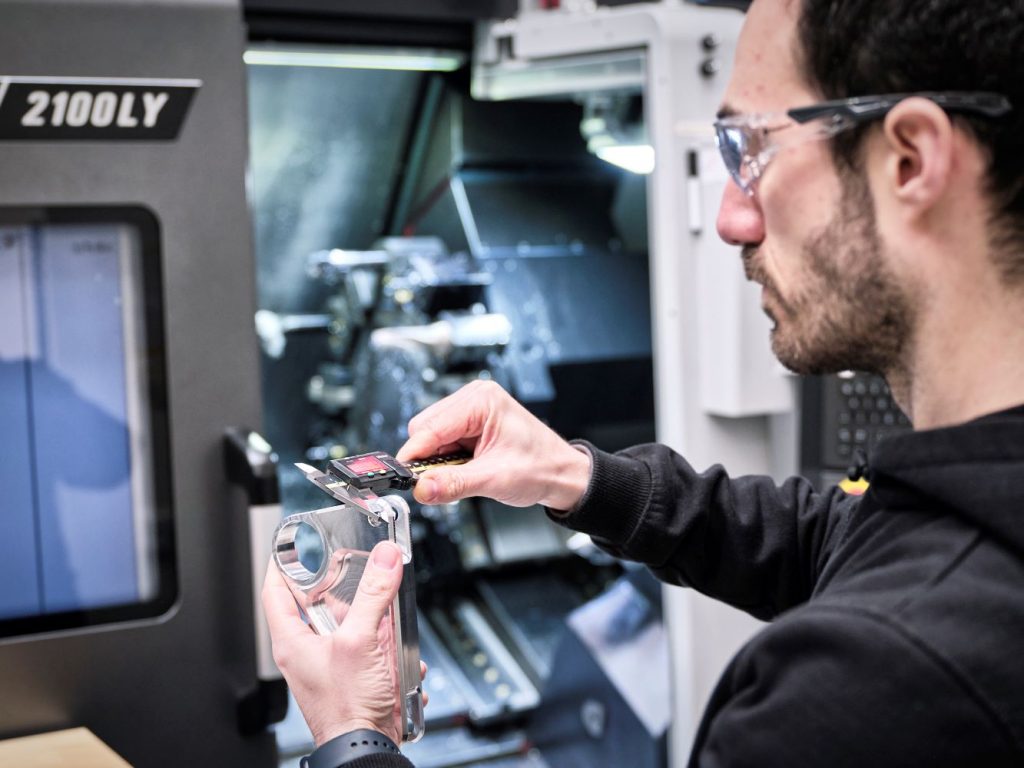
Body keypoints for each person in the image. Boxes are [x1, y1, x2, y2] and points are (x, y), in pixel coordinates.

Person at [263, 0, 1024, 765]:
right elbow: (839, 539)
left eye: (750, 148)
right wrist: (576, 478)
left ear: (911, 161)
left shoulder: (859, 694)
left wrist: (352, 736)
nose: (731, 216)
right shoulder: (970, 515)